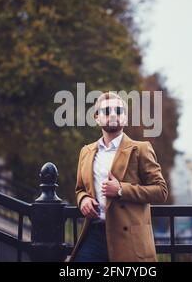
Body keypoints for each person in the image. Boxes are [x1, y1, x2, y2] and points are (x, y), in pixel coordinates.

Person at [68, 92, 168, 262]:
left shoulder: (141, 149)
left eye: (118, 111)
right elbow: (80, 189)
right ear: (97, 117)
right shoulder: (86, 152)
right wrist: (83, 199)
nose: (113, 114)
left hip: (129, 238)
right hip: (94, 234)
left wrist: (121, 189)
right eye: (107, 111)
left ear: (125, 118)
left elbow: (161, 191)